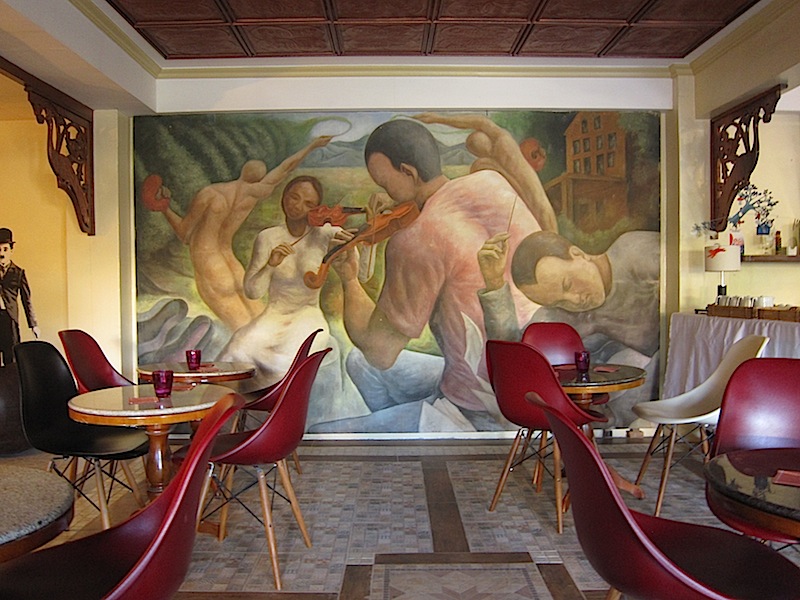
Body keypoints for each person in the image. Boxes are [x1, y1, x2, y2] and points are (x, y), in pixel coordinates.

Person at [330, 119, 542, 430]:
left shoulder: (415, 241)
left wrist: (349, 278)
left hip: (479, 405)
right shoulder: (491, 182)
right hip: (534, 381)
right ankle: (417, 425)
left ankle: (433, 430)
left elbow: (380, 352)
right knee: (357, 362)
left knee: (328, 428)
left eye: (385, 184)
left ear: (409, 172)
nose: (385, 192)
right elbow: (453, 225)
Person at [144, 135, 332, 332]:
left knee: (243, 331)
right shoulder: (252, 194)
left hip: (209, 262)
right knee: (261, 327)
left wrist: (164, 207)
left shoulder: (210, 194)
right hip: (232, 263)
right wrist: (311, 146)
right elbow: (285, 168)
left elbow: (185, 234)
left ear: (243, 171)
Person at [219, 176, 365, 427]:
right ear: (284, 197)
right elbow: (253, 291)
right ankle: (225, 428)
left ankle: (277, 428)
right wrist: (270, 264)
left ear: (317, 208)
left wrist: (357, 247)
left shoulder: (327, 234)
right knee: (236, 351)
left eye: (309, 203)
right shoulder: (267, 237)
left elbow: (363, 273)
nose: (298, 206)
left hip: (308, 315)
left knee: (286, 362)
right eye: (294, 197)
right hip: (273, 314)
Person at [477, 229, 660, 427]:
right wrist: (494, 283)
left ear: (578, 254)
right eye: (558, 302)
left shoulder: (634, 252)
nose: (574, 301)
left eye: (567, 284)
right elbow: (514, 357)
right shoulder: (561, 316)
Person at [413, 112, 558, 233]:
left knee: (541, 208)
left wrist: (439, 119)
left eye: (477, 148)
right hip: (523, 196)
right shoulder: (488, 163)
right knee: (537, 215)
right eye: (476, 151)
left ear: (486, 138)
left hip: (531, 190)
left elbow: (479, 121)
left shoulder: (502, 140)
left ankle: (553, 240)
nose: (479, 152)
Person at [0, 228, 40, 365]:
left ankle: (11, 378)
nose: (1, 253)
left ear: (11, 250)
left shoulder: (18, 273)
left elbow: (26, 300)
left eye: (5, 249)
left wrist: (33, 324)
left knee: (11, 356)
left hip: (9, 319)